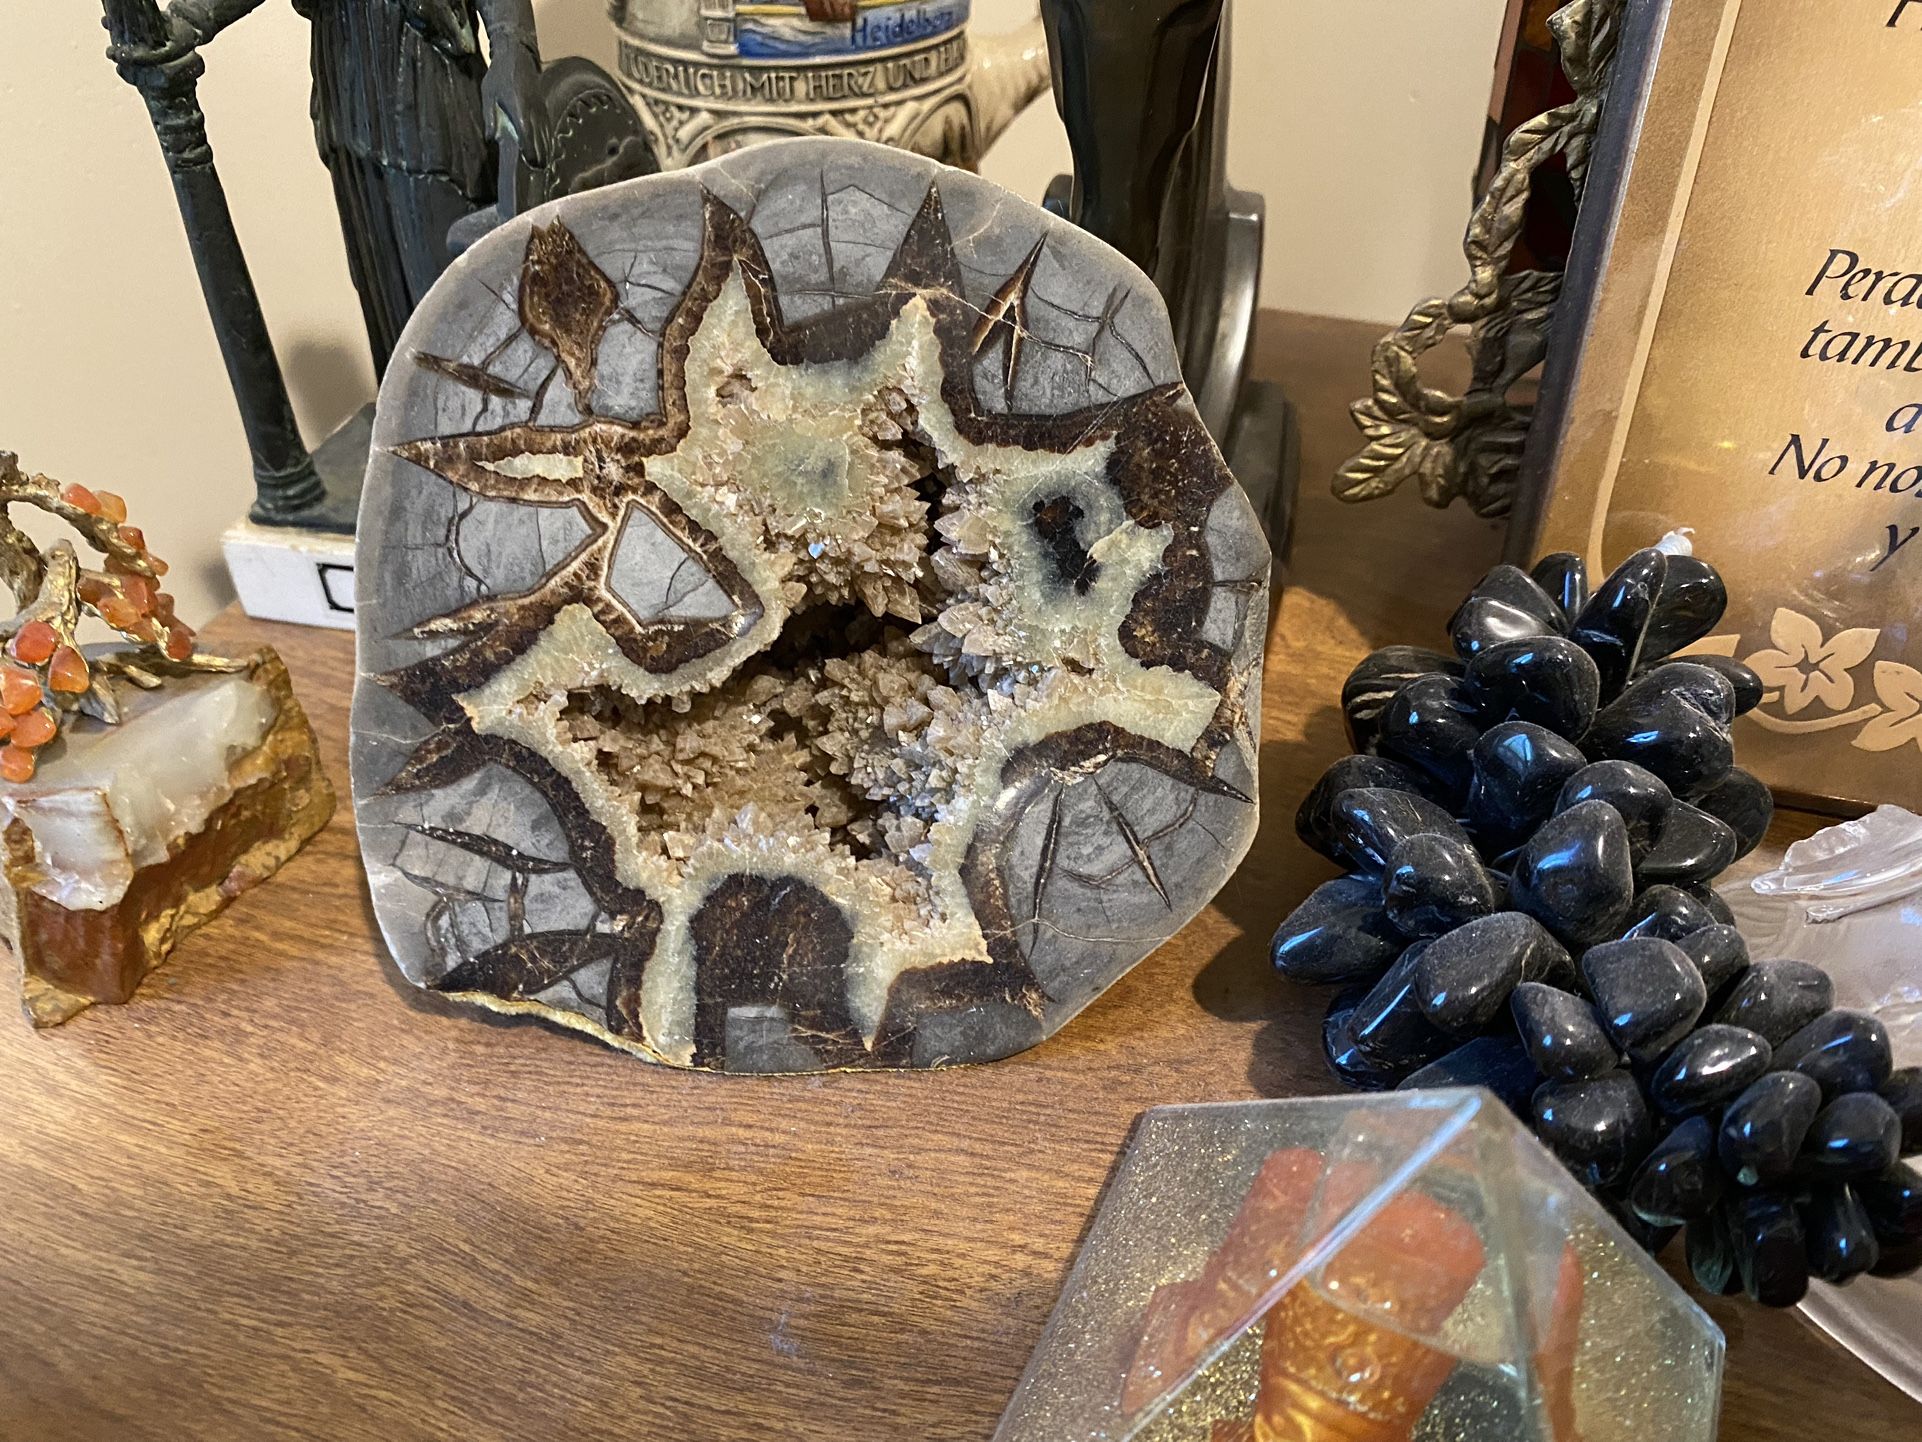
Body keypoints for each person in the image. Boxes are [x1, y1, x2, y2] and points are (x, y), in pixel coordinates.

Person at [111, 0, 551, 375]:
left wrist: (513, 47)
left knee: (454, 299)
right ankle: (408, 429)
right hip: (346, 90)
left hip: (426, 83)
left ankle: (477, 429)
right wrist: (190, 18)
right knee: (385, 305)